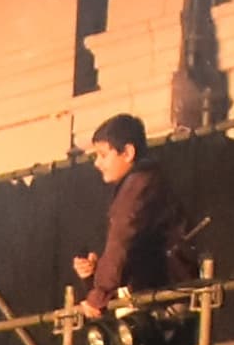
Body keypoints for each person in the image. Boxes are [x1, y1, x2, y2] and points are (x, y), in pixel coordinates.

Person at [75, 115, 182, 316]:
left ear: (127, 153)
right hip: (158, 296)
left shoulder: (138, 185)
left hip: (162, 301)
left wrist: (99, 294)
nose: (97, 163)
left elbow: (122, 237)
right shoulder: (140, 183)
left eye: (103, 155)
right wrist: (95, 273)